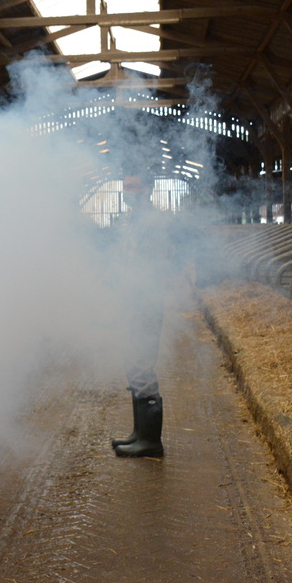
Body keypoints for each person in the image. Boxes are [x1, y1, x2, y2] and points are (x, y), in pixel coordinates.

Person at [109, 174, 168, 458]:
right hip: (132, 298)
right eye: (125, 187)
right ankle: (139, 433)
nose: (127, 192)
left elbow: (153, 265)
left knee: (142, 363)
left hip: (145, 299)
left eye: (132, 187)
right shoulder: (132, 219)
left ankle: (151, 441)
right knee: (132, 361)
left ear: (147, 189)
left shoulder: (152, 222)